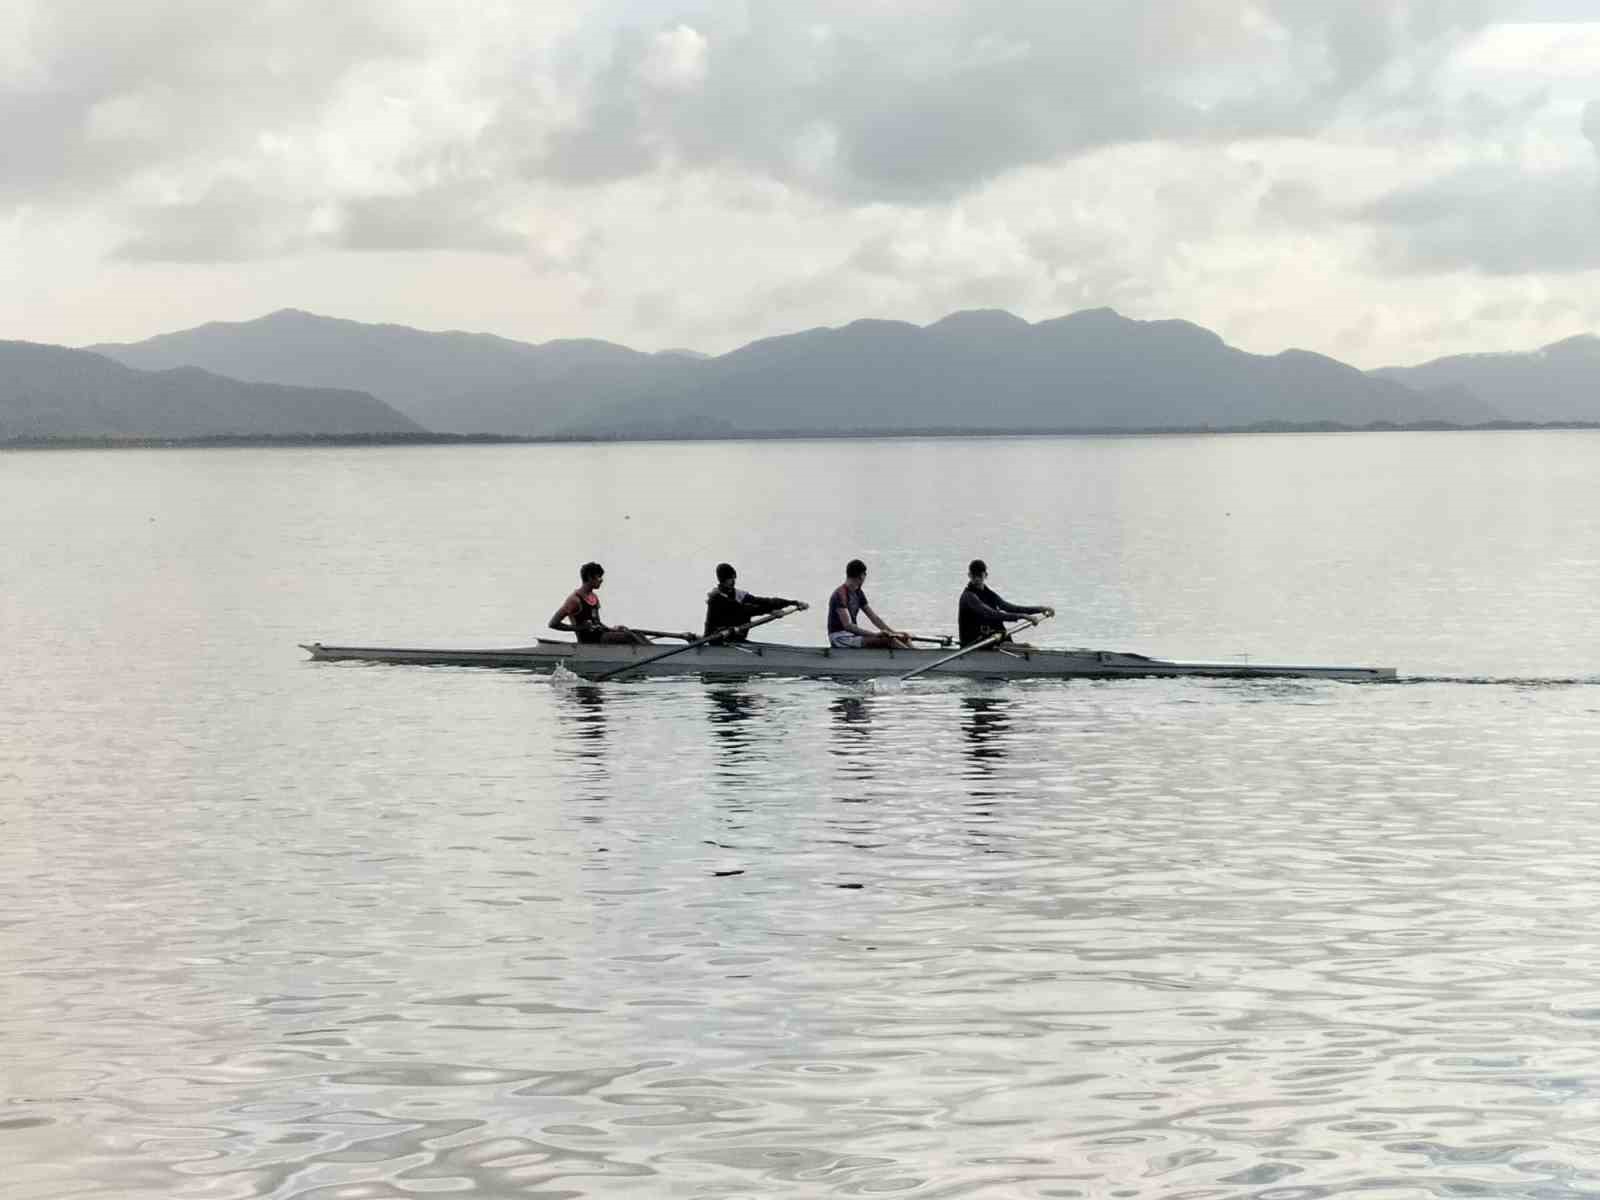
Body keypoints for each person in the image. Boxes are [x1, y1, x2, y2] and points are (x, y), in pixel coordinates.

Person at [548, 561, 651, 645]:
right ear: (589, 577)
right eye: (599, 577)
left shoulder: (594, 597)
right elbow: (553, 624)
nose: (601, 580)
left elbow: (597, 623)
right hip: (588, 640)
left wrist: (612, 629)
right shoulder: (574, 600)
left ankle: (654, 653)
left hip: (601, 634)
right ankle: (651, 655)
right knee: (628, 636)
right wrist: (580, 628)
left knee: (635, 633)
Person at [958, 559, 1055, 646]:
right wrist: (1023, 616)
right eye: (974, 575)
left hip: (990, 637)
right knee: (1025, 647)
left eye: (980, 575)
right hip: (972, 642)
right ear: (969, 575)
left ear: (985, 575)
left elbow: (1009, 607)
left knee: (1025, 646)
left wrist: (1040, 609)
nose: (977, 579)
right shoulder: (969, 596)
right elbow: (991, 614)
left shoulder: (988, 593)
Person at [704, 563, 807, 642]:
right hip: (714, 637)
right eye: (731, 579)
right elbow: (742, 610)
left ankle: (736, 640)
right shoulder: (716, 598)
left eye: (733, 578)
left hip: (731, 634)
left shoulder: (738, 593)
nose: (733, 581)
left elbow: (765, 601)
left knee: (757, 603)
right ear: (723, 580)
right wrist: (770, 612)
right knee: (747, 609)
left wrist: (794, 602)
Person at [828, 559, 913, 649]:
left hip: (853, 635)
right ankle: (913, 658)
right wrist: (875, 635)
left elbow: (874, 618)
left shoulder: (858, 593)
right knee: (887, 640)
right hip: (840, 638)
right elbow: (848, 626)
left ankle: (917, 656)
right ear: (861, 576)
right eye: (865, 574)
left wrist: (894, 633)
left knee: (904, 636)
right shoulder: (840, 594)